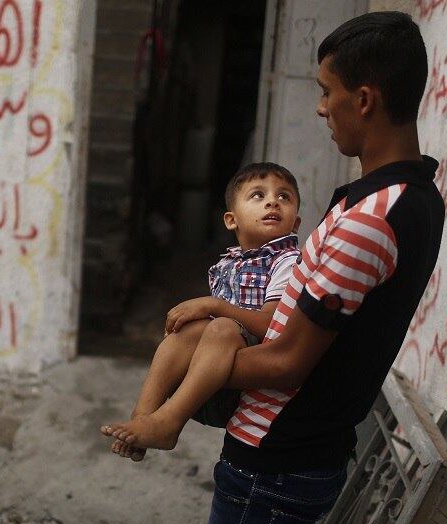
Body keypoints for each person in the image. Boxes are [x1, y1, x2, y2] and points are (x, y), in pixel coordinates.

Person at [190, 12, 441, 524]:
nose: (321, 107)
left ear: (365, 99)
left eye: (328, 92)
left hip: (272, 470)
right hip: (292, 463)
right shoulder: (405, 196)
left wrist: (191, 372)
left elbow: (285, 362)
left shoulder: (373, 218)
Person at [99, 162, 302, 460]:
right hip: (218, 380)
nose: (273, 201)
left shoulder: (287, 261)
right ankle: (144, 415)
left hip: (256, 371)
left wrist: (213, 305)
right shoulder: (228, 264)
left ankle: (170, 422)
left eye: (284, 197)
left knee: (220, 326)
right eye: (258, 195)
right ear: (232, 221)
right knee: (189, 329)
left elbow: (271, 324)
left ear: (295, 223)